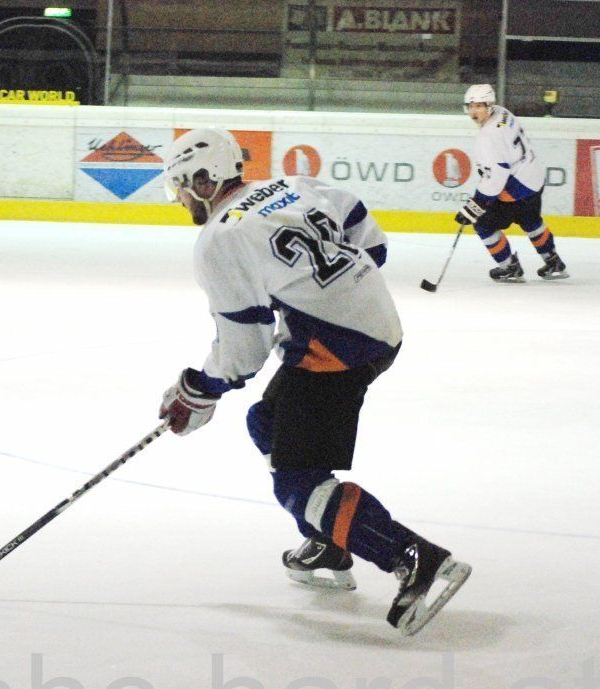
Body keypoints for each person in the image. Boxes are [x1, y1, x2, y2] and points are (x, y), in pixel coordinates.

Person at [157, 127, 471, 636]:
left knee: (296, 480)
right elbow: (369, 235)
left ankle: (412, 556)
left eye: (181, 188)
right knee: (267, 422)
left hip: (338, 348)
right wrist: (334, 289)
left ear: (202, 179)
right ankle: (329, 544)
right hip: (375, 326)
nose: (180, 200)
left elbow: (245, 350)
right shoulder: (291, 185)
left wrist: (199, 389)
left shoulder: (219, 240)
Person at [455, 83, 569, 282]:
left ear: (489, 106)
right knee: (530, 220)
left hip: (517, 187)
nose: (474, 111)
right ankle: (553, 261)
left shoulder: (487, 138)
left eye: (479, 106)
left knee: (483, 224)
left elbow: (497, 178)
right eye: (471, 106)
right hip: (534, 177)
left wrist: (476, 205)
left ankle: (509, 267)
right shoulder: (502, 112)